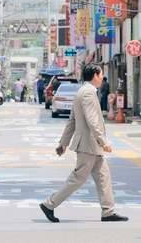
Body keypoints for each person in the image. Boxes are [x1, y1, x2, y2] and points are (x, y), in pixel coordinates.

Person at [39, 63, 128, 223]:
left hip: (91, 146)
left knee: (103, 177)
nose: (102, 77)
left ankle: (108, 211)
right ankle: (49, 204)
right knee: (78, 178)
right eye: (101, 74)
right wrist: (103, 141)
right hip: (88, 145)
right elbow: (92, 120)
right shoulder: (88, 93)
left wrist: (63, 143)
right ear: (95, 75)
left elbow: (72, 121)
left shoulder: (82, 91)